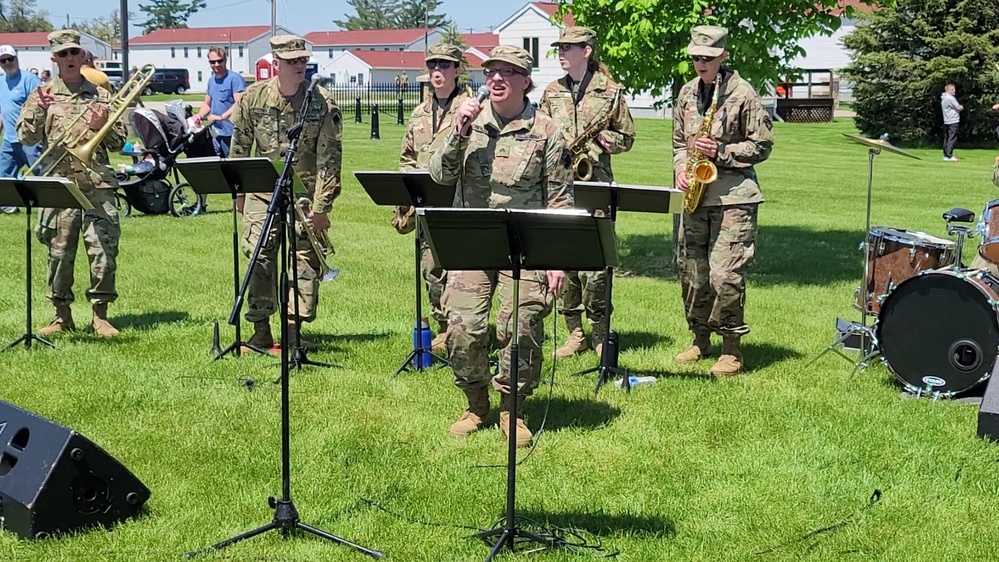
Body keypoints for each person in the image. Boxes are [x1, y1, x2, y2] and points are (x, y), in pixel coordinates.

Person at [429, 45, 573, 447]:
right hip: (474, 240)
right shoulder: (468, 120)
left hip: (527, 243)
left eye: (508, 72)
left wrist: (556, 258)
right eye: (492, 71)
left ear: (525, 81)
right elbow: (439, 175)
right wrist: (458, 129)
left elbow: (560, 199)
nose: (496, 78)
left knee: (521, 325)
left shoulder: (546, 130)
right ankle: (476, 404)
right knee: (463, 329)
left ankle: (513, 407)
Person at [229, 34, 342, 353]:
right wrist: (238, 191)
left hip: (304, 193)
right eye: (291, 61)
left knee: (303, 262)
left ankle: (293, 332)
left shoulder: (321, 101)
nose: (299, 66)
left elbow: (330, 158)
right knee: (258, 256)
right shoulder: (253, 98)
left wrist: (321, 207)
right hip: (262, 191)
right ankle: (261, 331)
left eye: (303, 60)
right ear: (275, 63)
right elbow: (239, 148)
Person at [672, 25, 773, 376]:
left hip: (734, 197)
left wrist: (722, 152)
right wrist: (680, 172)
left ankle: (732, 348)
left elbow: (762, 145)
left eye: (708, 58)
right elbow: (676, 144)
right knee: (692, 272)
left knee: (724, 275)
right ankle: (700, 339)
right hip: (694, 197)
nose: (701, 63)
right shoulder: (686, 93)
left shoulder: (743, 93)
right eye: (696, 57)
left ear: (723, 57)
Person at [17, 30, 126, 337]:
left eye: (74, 53)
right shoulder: (42, 95)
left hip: (98, 185)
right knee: (59, 254)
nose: (69, 59)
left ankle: (100, 315)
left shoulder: (102, 94)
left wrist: (101, 125)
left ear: (82, 57)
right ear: (54, 58)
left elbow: (118, 142)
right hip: (59, 185)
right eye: (63, 54)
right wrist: (38, 109)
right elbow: (27, 137)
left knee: (103, 252)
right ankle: (60, 315)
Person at [539, 26, 635, 359]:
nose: (561, 53)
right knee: (566, 263)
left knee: (595, 268)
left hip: (596, 185)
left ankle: (600, 333)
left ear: (587, 50)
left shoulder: (611, 92)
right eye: (560, 48)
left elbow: (628, 137)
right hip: (559, 186)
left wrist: (613, 142)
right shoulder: (551, 93)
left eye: (568, 47)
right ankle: (574, 333)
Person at [392, 43, 473, 354]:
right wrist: (407, 194)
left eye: (444, 64)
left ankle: (460, 327)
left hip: (458, 201)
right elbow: (406, 156)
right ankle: (442, 328)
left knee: (458, 269)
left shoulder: (469, 107)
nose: (437, 70)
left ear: (456, 70)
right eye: (432, 65)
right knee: (431, 269)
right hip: (426, 203)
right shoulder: (419, 112)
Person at [0, 44, 43, 214]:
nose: (7, 62)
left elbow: (42, 107)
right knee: (3, 174)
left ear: (16, 59)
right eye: (3, 60)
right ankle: (8, 207)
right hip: (9, 141)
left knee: (40, 173)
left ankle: (50, 206)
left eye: (10, 59)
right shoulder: (1, 82)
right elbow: (3, 110)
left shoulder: (29, 79)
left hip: (29, 139)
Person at [193, 47, 246, 158]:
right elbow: (208, 103)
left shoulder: (235, 79)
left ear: (225, 60)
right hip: (216, 133)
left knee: (232, 168)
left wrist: (221, 117)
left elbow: (239, 104)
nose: (216, 64)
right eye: (212, 62)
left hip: (232, 133)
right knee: (217, 166)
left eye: (219, 61)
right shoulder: (211, 80)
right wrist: (199, 115)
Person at [941, 83, 962, 161]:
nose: (954, 91)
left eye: (954, 89)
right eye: (952, 89)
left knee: (946, 138)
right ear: (948, 90)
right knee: (952, 138)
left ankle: (946, 155)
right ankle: (949, 155)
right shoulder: (950, 98)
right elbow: (958, 107)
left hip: (946, 120)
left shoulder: (943, 98)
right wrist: (962, 107)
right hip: (953, 120)